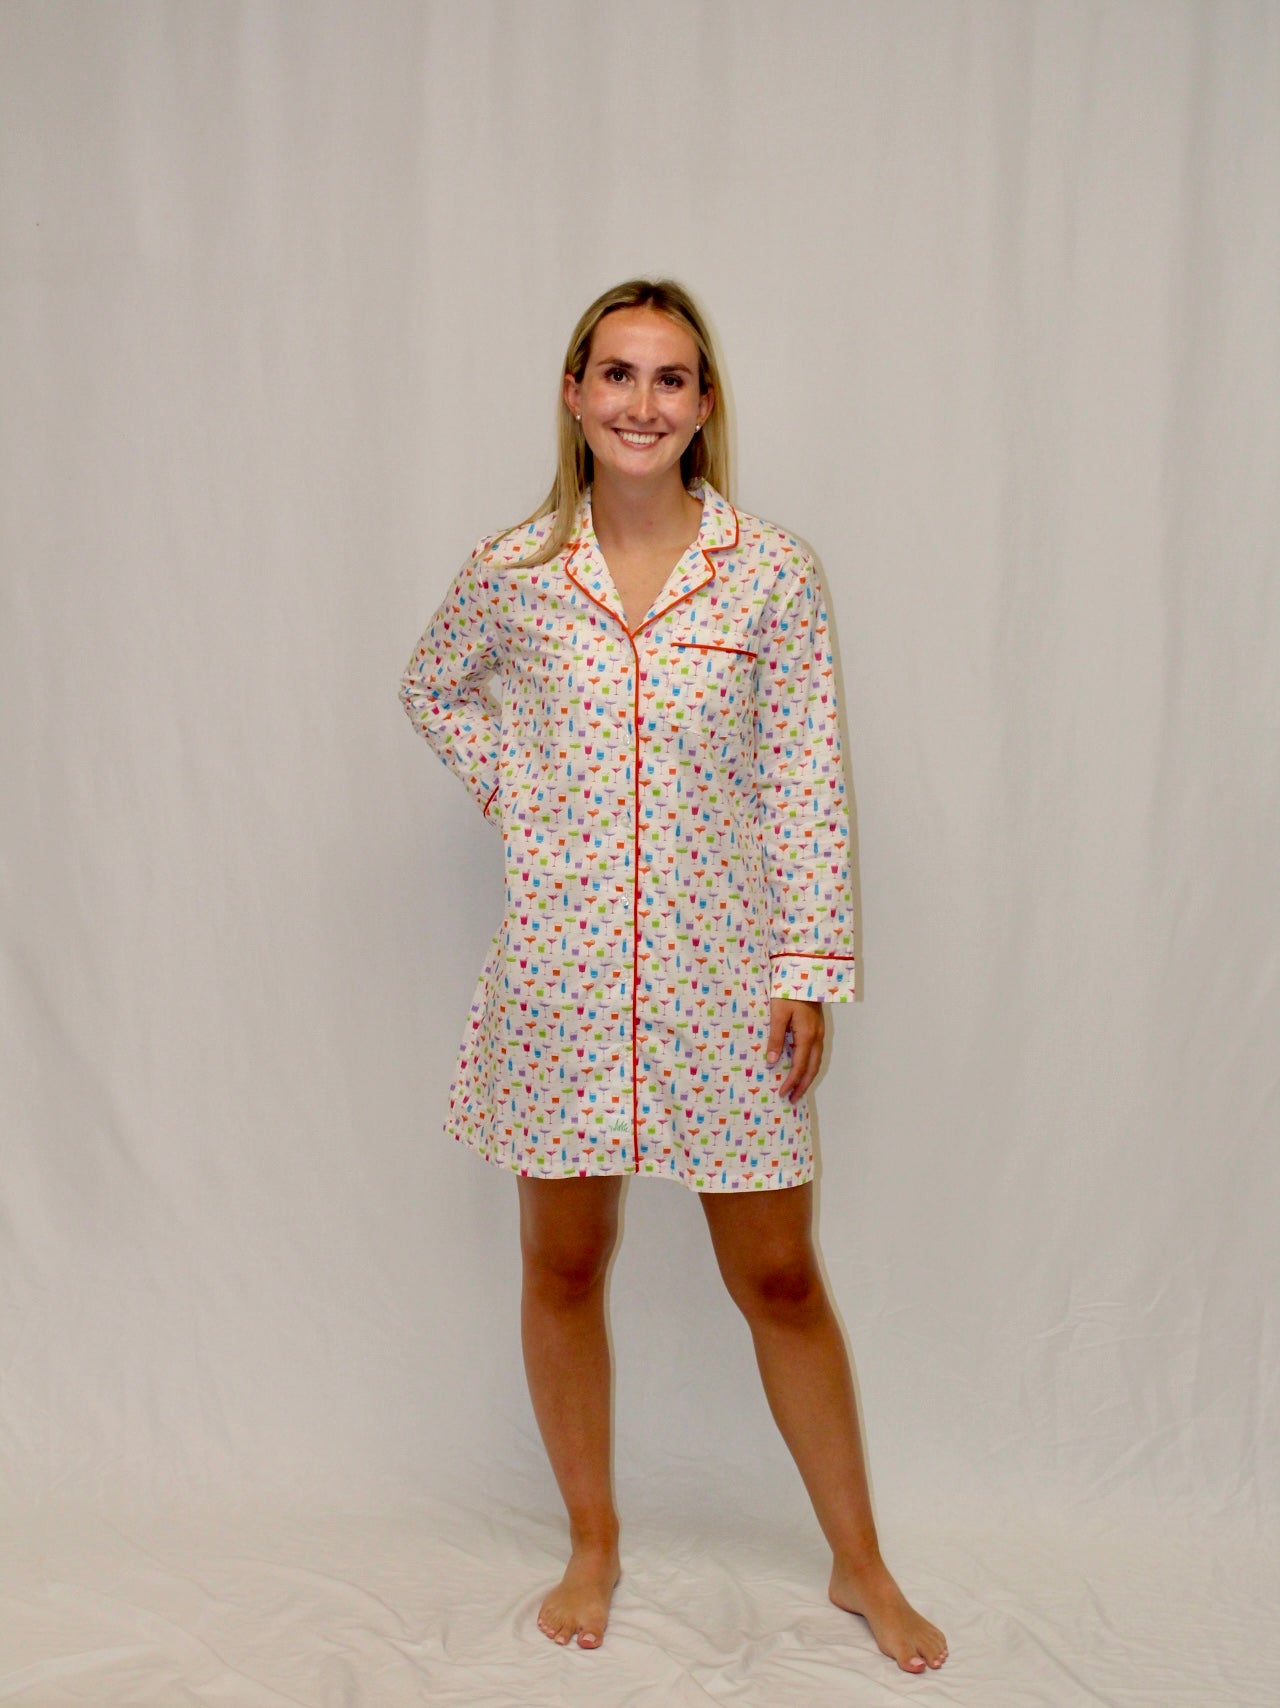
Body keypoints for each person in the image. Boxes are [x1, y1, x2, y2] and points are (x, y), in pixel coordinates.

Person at [399, 278, 948, 1674]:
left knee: (780, 1278)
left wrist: (804, 968)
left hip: (724, 984)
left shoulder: (770, 574)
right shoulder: (515, 572)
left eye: (671, 378)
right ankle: (591, 1541)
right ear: (575, 393)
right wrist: (524, 795)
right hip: (564, 979)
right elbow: (433, 688)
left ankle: (860, 1560)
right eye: (618, 373)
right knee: (565, 1261)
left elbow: (803, 776)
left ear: (704, 405)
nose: (642, 403)